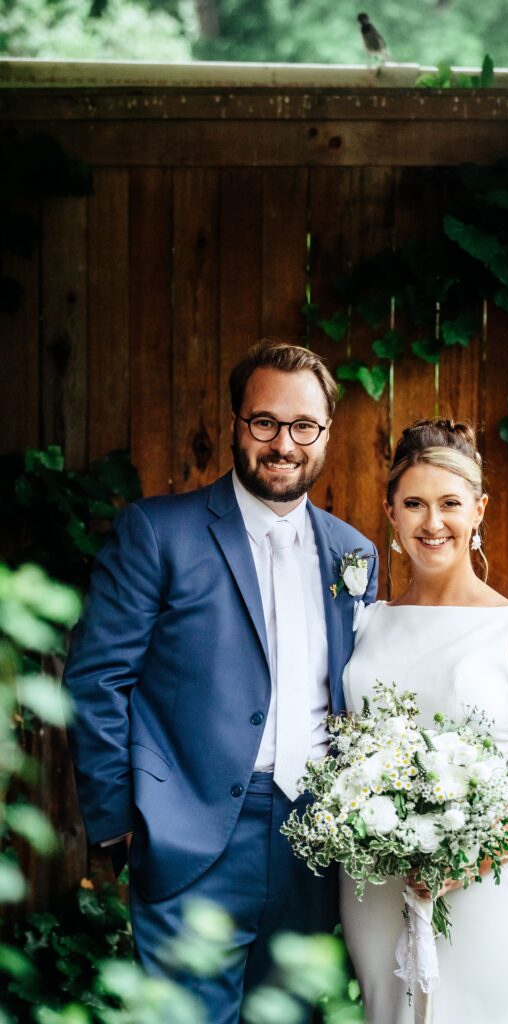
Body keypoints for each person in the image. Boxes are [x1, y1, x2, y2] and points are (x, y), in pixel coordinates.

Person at [63, 339, 379, 1024]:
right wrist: (119, 822)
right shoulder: (158, 531)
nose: (283, 443)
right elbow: (96, 680)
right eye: (264, 422)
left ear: (325, 435)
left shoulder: (354, 553)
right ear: (236, 423)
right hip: (188, 837)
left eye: (303, 427)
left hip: (314, 842)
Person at [340, 418, 508, 1024]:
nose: (432, 522)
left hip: (489, 882)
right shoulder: (364, 623)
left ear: (478, 510)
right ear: (390, 511)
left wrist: (467, 862)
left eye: (450, 503)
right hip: (376, 883)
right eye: (415, 503)